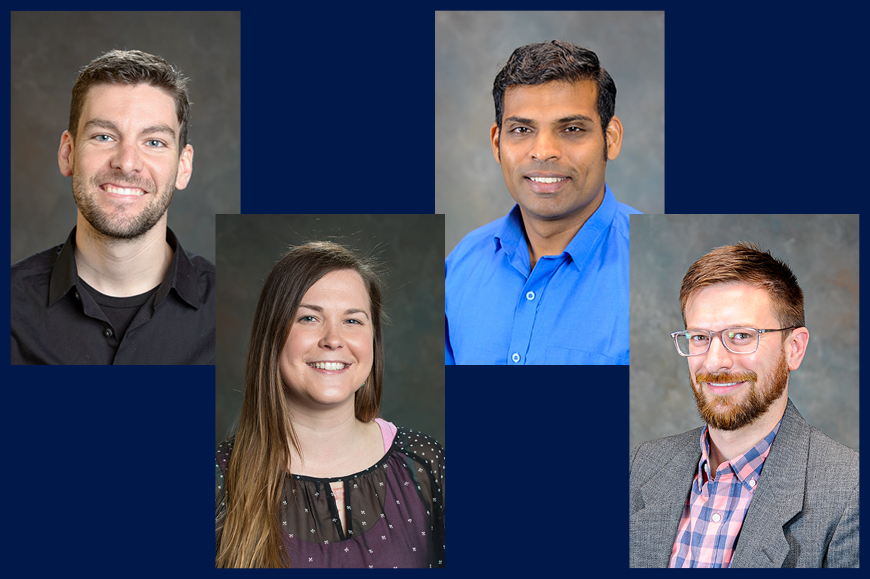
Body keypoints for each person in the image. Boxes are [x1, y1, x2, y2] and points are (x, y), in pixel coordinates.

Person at [215, 242, 445, 568]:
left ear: (374, 342)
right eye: (309, 318)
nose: (333, 339)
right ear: (272, 336)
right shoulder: (221, 479)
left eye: (352, 321)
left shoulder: (424, 466)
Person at [629, 243, 858, 568]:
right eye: (699, 337)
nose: (715, 361)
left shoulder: (850, 492)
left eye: (741, 335)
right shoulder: (640, 467)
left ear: (794, 348)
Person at [10, 49, 214, 365]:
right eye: (104, 136)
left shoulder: (232, 318)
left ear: (183, 166)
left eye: (154, 142)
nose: (127, 162)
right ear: (67, 153)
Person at [445, 40, 641, 365]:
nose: (543, 151)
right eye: (522, 129)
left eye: (572, 129)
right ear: (497, 142)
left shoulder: (650, 272)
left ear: (611, 138)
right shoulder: (463, 264)